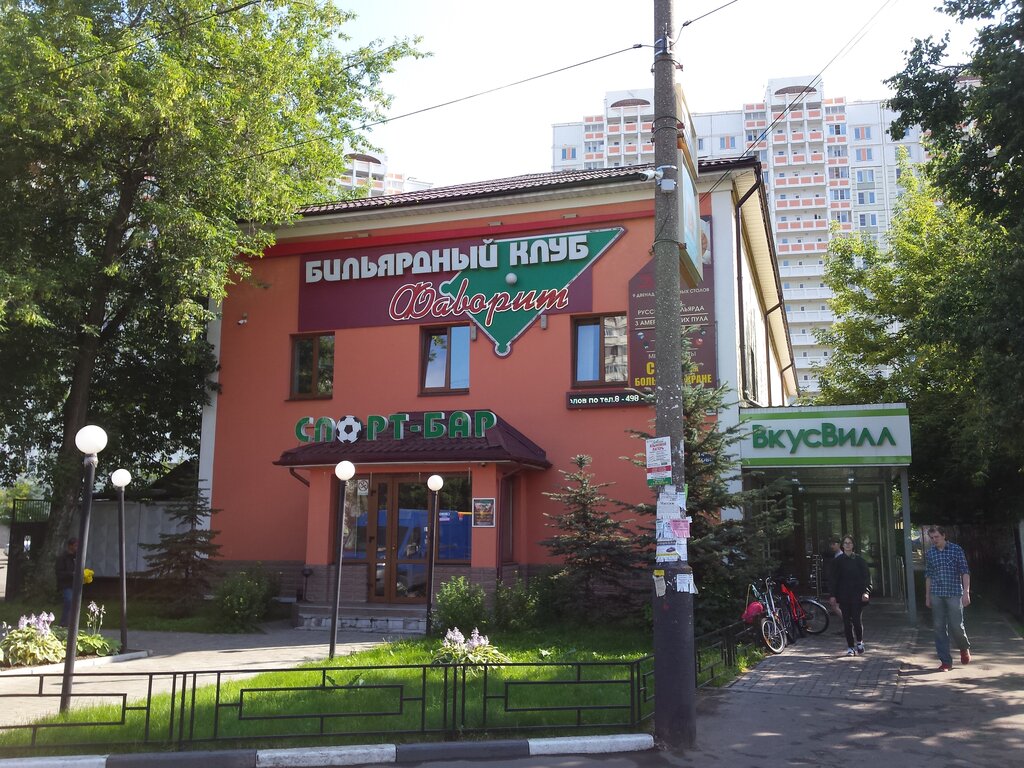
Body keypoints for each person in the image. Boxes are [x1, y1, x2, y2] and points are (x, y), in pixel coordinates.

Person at [924, 525, 971, 671]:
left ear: (944, 535)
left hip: (954, 592)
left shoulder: (956, 550)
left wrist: (966, 592)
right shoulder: (930, 553)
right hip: (937, 593)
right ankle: (945, 661)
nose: (934, 540)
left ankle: (963, 647)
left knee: (957, 625)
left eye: (937, 537)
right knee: (938, 627)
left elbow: (965, 571)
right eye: (932, 538)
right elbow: (928, 575)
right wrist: (927, 596)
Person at [830, 535, 871, 656]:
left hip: (857, 595)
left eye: (850, 543)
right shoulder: (837, 561)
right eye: (845, 543)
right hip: (844, 595)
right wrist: (832, 595)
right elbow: (833, 580)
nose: (847, 545)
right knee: (847, 622)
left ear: (853, 545)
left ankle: (859, 642)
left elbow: (867, 577)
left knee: (857, 621)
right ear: (842, 545)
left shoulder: (859, 560)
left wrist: (866, 592)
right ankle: (850, 647)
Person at [55, 537, 78, 627]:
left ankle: (71, 623)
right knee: (69, 601)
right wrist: (71, 574)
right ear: (70, 546)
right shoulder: (62, 558)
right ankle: (64, 623)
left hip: (74, 584)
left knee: (74, 603)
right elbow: (59, 572)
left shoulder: (76, 557)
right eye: (75, 546)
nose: (76, 548)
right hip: (66, 584)